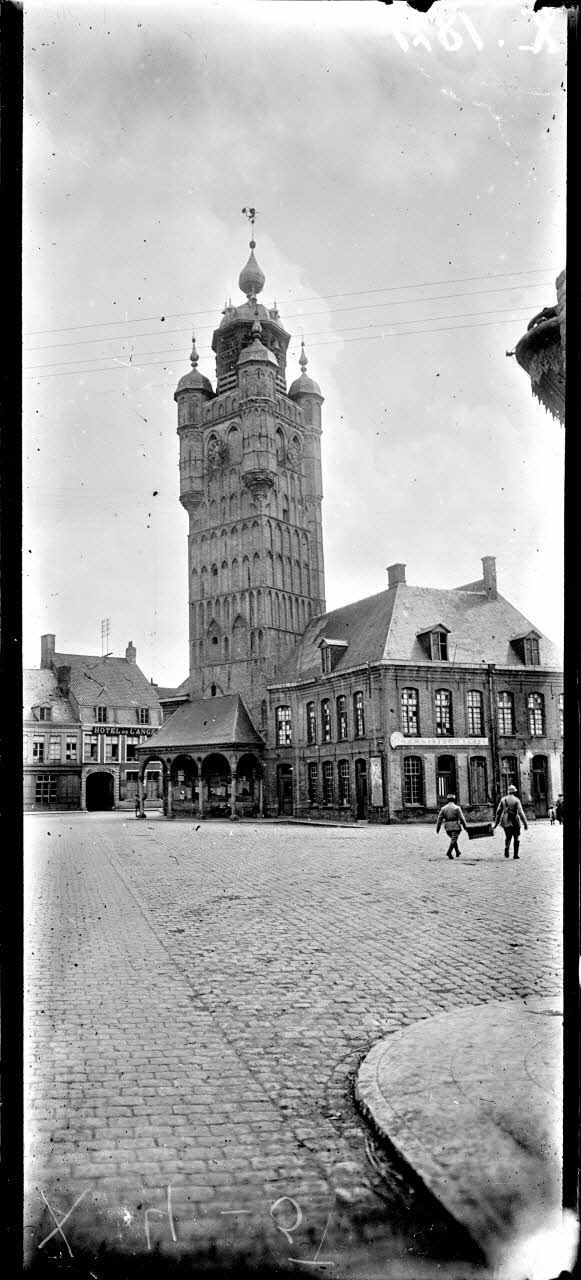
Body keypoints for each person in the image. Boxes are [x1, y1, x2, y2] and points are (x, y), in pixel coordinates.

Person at [493, 784, 528, 858]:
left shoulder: (503, 800)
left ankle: (507, 848)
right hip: (515, 820)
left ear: (508, 791)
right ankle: (515, 854)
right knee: (516, 837)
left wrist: (496, 824)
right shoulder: (516, 800)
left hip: (505, 820)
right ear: (514, 792)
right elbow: (520, 812)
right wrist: (525, 823)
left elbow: (498, 812)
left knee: (508, 836)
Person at [436, 792, 468, 859]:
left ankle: (457, 852)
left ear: (447, 800)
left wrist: (438, 828)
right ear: (454, 800)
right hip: (456, 826)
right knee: (454, 839)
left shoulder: (443, 808)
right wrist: (465, 827)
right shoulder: (457, 808)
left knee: (453, 839)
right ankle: (449, 852)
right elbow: (462, 818)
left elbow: (439, 819)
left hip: (447, 827)